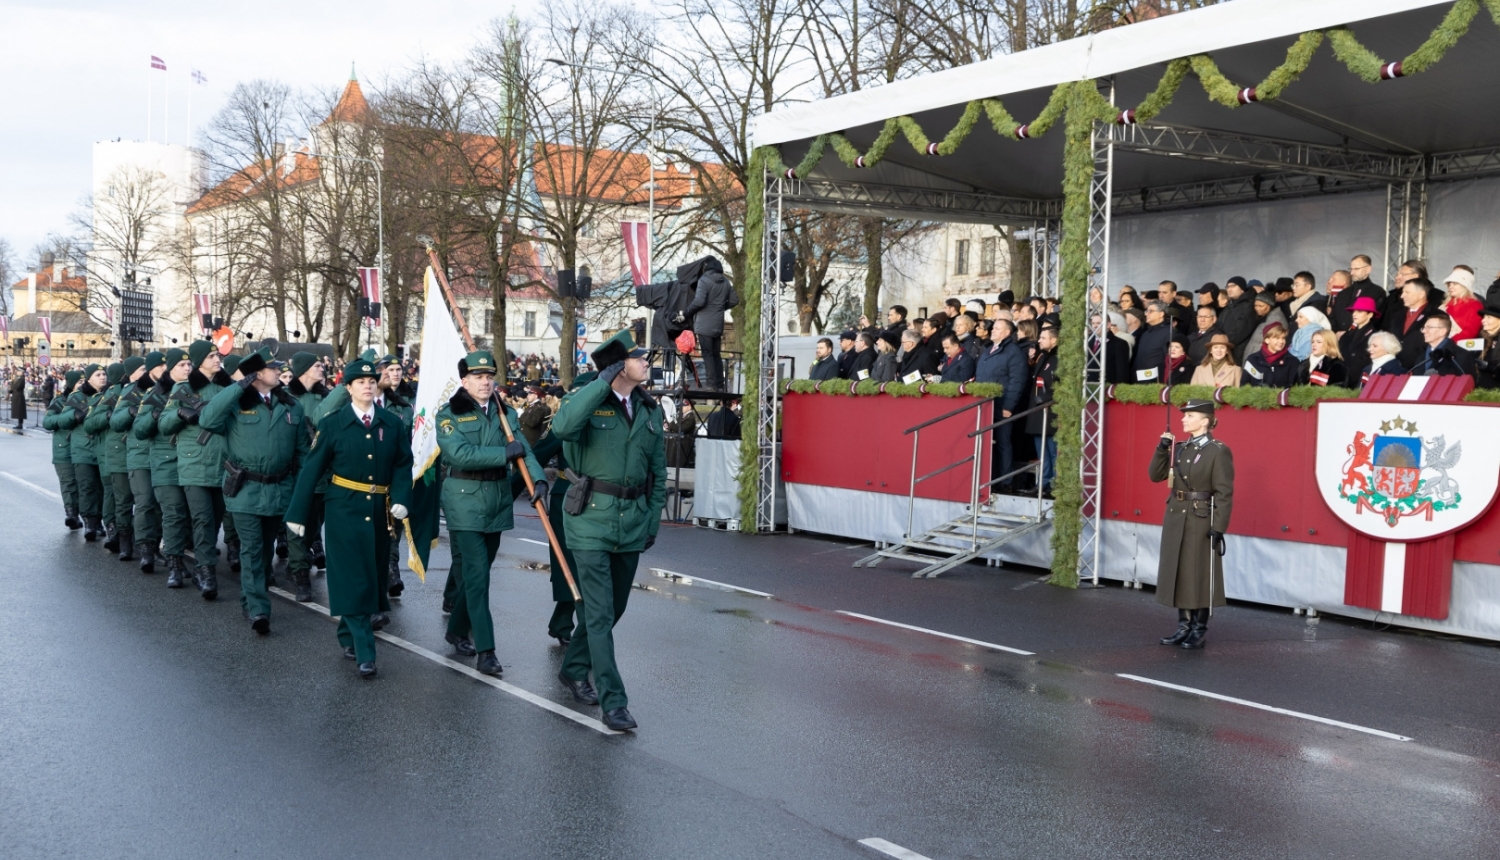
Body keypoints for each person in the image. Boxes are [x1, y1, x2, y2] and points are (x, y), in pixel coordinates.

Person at [552, 331, 667, 732]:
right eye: (639, 357)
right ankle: (613, 701)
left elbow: (658, 473)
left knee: (614, 609)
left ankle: (573, 667)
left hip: (632, 521)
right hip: (590, 520)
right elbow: (564, 427)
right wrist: (600, 383)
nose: (646, 362)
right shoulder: (587, 402)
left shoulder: (650, 410)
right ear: (619, 366)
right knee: (599, 613)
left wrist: (652, 519)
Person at [286, 357, 412, 678]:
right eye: (361, 382)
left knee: (370, 575)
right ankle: (366, 652)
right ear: (348, 388)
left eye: (372, 381)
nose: (368, 386)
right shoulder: (332, 424)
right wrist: (298, 513)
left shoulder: (391, 423)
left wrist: (400, 498)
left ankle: (347, 634)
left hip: (380, 511)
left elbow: (401, 464)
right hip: (344, 507)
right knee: (353, 577)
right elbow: (312, 469)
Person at [434, 350, 545, 677]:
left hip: (496, 501)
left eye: (489, 376)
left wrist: (537, 478)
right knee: (478, 576)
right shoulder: (449, 414)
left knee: (477, 574)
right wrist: (503, 453)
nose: (485, 382)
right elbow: (460, 454)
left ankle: (456, 629)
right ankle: (486, 650)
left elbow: (522, 448)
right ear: (465, 381)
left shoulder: (505, 413)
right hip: (464, 500)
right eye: (478, 377)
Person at [199, 348, 308, 635]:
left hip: (279, 488)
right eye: (274, 369)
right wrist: (238, 386)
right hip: (245, 488)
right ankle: (259, 609)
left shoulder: (291, 406)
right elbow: (208, 420)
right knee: (251, 549)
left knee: (265, 550)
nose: (281, 373)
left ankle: (249, 599)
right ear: (257, 374)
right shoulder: (235, 404)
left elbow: (303, 451)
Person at [1149, 399, 1233, 650]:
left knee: (1198, 573)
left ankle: (1198, 629)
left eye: (1190, 416)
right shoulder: (1181, 447)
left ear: (1205, 421)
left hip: (1200, 517)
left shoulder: (1218, 450)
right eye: (1184, 416)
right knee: (1180, 571)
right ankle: (1183, 626)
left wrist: (1219, 527)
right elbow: (1156, 475)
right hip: (1176, 516)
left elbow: (1224, 493)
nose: (1184, 419)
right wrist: (1162, 448)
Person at [161, 342, 237, 600]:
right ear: (199, 361)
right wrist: (182, 414)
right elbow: (164, 424)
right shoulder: (184, 389)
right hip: (194, 464)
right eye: (212, 356)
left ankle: (203, 566)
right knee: (203, 520)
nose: (217, 360)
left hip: (223, 463)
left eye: (218, 356)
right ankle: (206, 571)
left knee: (215, 520)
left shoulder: (227, 388)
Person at [526, 372, 597, 647]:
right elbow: (537, 456)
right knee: (570, 563)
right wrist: (518, 487)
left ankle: (561, 623)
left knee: (588, 565)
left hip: (598, 499)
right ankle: (581, 632)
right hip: (568, 496)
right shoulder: (564, 424)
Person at [136, 349, 194, 588]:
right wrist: (156, 415)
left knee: (194, 516)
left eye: (189, 364)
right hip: (166, 462)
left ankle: (194, 563)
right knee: (173, 514)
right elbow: (140, 429)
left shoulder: (196, 390)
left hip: (192, 461)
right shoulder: (155, 394)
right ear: (170, 369)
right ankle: (175, 565)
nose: (187, 368)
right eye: (181, 365)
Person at [112, 353, 166, 572]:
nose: (165, 368)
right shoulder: (132, 391)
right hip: (140, 454)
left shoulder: (171, 389)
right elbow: (116, 421)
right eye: (161, 365)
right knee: (143, 502)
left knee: (161, 505)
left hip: (164, 455)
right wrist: (131, 412)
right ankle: (144, 548)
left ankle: (156, 545)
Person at [284, 352, 328, 602]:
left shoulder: (328, 396)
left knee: (313, 525)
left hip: (321, 473)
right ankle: (300, 572)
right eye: (317, 365)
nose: (322, 369)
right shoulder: (288, 399)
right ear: (303, 370)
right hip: (295, 472)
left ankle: (298, 561)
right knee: (295, 524)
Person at [975, 319, 1028, 491]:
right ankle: (990, 479)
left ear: (1006, 333)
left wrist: (1008, 406)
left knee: (1003, 443)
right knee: (987, 444)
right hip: (985, 406)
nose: (993, 331)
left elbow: (1017, 381)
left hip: (1001, 405)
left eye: (997, 328)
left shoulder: (1014, 353)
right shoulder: (988, 349)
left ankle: (1005, 482)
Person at [98, 359, 143, 557]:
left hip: (141, 451)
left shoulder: (153, 390)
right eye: (143, 369)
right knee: (123, 499)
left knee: (144, 501)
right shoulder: (116, 393)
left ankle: (143, 541)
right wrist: (109, 415)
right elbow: (94, 421)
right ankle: (123, 538)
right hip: (119, 450)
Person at [61, 364, 109, 540]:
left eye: (104, 374)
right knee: (87, 487)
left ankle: (100, 521)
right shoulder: (77, 397)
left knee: (103, 489)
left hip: (104, 449)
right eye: (98, 375)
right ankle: (90, 523)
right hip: (82, 450)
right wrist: (74, 416)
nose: (102, 377)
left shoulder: (110, 395)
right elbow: (62, 420)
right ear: (89, 379)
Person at [682, 257, 738, 389]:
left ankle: (711, 384)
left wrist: (687, 312)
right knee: (716, 354)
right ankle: (720, 383)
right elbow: (735, 300)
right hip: (718, 324)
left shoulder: (704, 281)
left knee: (707, 354)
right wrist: (719, 306)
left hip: (704, 324)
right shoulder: (725, 282)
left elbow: (699, 301)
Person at [43, 370, 84, 530]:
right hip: (63, 449)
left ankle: (89, 518)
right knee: (68, 482)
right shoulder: (60, 401)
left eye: (83, 382)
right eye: (79, 382)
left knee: (85, 484)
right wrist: (69, 417)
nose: (82, 385)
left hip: (83, 448)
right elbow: (48, 422)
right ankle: (71, 514)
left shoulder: (91, 399)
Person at [1026, 327, 1058, 496]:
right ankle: (1042, 484)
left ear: (1054, 340)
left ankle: (1055, 484)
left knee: (1053, 451)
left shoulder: (1060, 358)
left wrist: (1046, 399)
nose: (1039, 340)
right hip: (1038, 412)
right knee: (1042, 452)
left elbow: (1063, 386)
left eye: (1043, 338)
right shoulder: (1043, 357)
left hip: (1052, 412)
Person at [1385, 276, 1440, 369]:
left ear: (1421, 294)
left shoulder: (1436, 315)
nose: (1402, 296)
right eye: (1403, 292)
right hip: (1395, 369)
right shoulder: (1397, 315)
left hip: (1421, 369)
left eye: (1407, 292)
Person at [1408, 313, 1477, 377]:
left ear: (1442, 331)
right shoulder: (1420, 358)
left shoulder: (1461, 355)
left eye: (1429, 327)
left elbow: (1468, 384)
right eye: (1424, 328)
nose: (1424, 331)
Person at [1328, 258, 1384, 331]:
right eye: (1351, 269)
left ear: (1368, 269)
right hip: (1338, 338)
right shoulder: (1342, 293)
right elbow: (1333, 317)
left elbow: (1375, 319)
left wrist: (1349, 334)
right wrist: (1336, 333)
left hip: (1361, 338)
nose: (1352, 273)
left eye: (1356, 269)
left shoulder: (1377, 292)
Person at [1242, 322, 1297, 387]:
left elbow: (1293, 388)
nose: (1281, 341)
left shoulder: (1292, 361)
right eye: (1277, 338)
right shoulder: (1253, 360)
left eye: (1283, 338)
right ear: (1267, 340)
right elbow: (1244, 387)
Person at [1339, 295, 1380, 381]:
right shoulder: (1347, 335)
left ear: (1370, 314)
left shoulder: (1375, 336)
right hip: (1344, 379)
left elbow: (1367, 361)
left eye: (1360, 311)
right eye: (1354, 311)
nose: (1354, 314)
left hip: (1360, 380)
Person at [1130, 301, 1174, 382]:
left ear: (1161, 314)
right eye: (1146, 311)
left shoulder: (1169, 333)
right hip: (1139, 380)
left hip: (1155, 381)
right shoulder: (1146, 333)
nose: (1146, 314)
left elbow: (1169, 360)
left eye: (1151, 311)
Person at [1217, 277, 1259, 359]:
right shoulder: (1229, 307)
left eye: (1233, 286)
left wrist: (1222, 343)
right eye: (1227, 287)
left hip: (1237, 353)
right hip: (1223, 350)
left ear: (1242, 289)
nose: (1229, 289)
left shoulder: (1248, 306)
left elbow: (1239, 332)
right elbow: (1218, 326)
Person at [1242, 292, 1288, 359]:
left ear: (1270, 305)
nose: (1257, 308)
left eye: (1261, 306)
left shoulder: (1276, 320)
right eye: (1255, 305)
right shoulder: (1265, 316)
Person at [1441, 267, 1483, 341]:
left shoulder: (1475, 305)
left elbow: (1470, 332)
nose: (1450, 287)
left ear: (1465, 286)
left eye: (1455, 284)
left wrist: (1447, 343)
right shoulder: (1445, 305)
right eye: (1449, 284)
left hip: (1460, 348)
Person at [1473, 302, 1500, 388]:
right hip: (1477, 389)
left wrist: (1491, 368)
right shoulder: (1479, 339)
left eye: (1489, 317)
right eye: (1484, 317)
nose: (1483, 320)